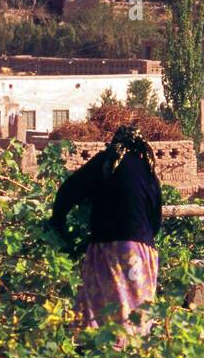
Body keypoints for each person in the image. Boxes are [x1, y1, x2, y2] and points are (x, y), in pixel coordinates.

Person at [49, 125, 163, 331]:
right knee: (136, 321)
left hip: (111, 250)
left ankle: (100, 357)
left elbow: (68, 192)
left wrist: (56, 224)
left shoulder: (107, 161)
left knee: (100, 318)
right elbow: (156, 221)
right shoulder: (149, 171)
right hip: (144, 254)